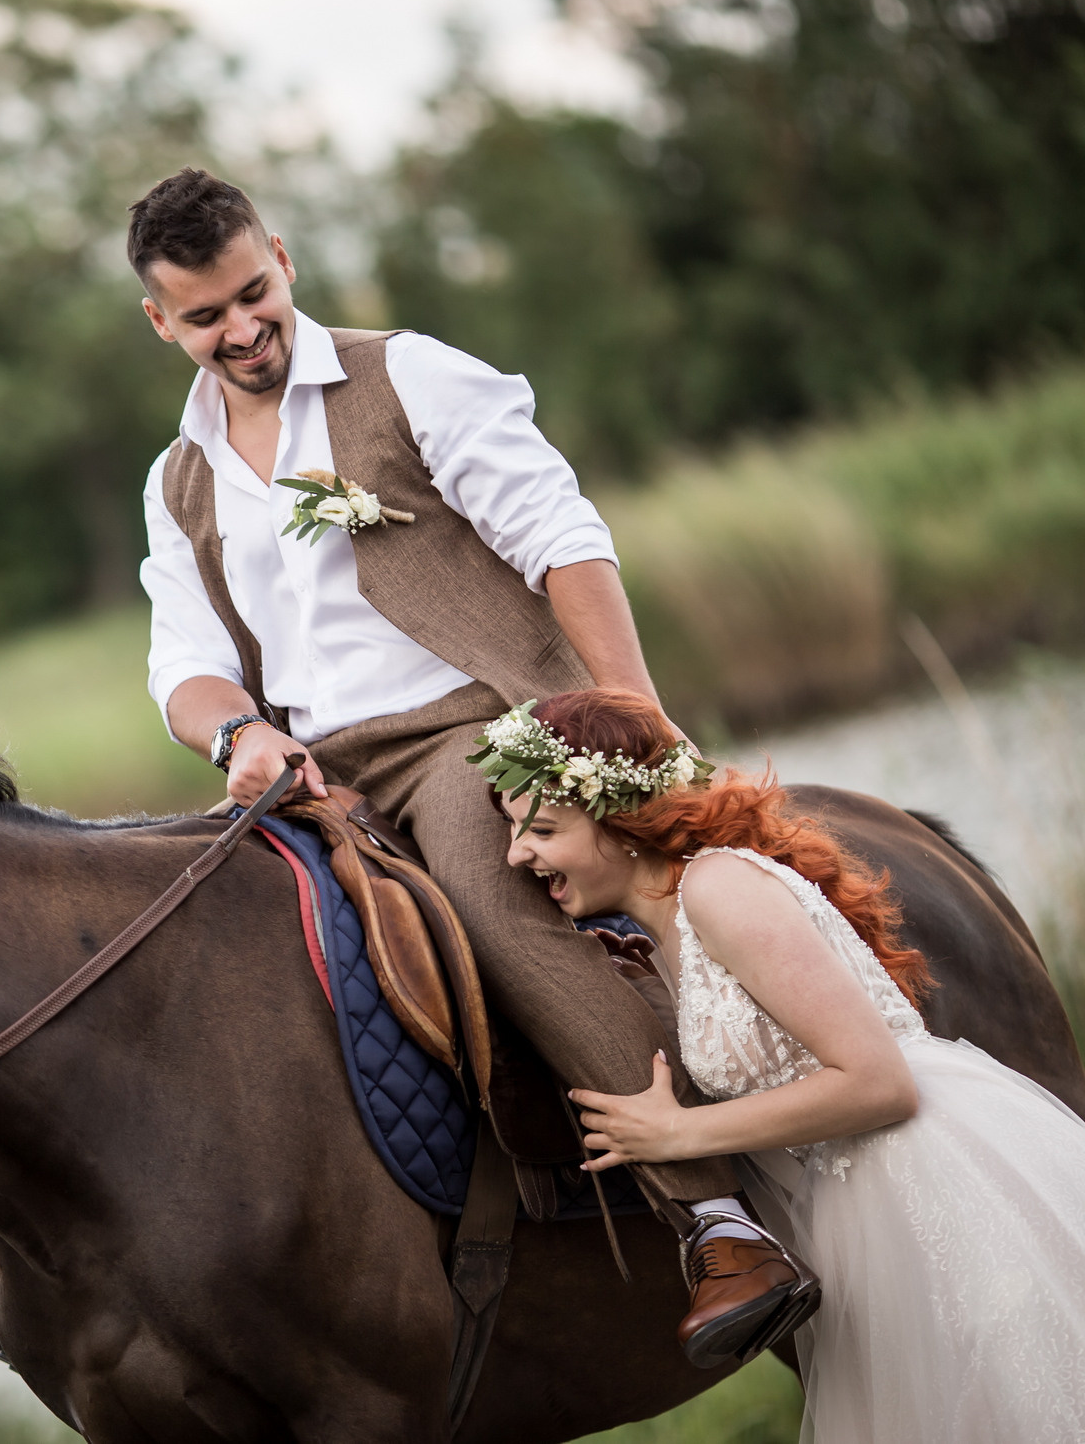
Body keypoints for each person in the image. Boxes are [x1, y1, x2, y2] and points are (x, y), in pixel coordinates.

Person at [128, 165, 801, 1362]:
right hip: (310, 776)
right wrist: (238, 735)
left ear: (280, 256)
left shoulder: (407, 374)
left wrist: (630, 718)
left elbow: (559, 536)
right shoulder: (176, 481)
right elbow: (182, 664)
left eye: (253, 295)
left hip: (468, 729)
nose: (239, 331)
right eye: (205, 316)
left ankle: (717, 1214)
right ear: (159, 322)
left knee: (491, 905)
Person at [485, 687, 1085, 1443]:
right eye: (514, 831)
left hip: (922, 1188)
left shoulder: (718, 888)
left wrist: (678, 1134)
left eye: (541, 828)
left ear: (620, 822)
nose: (516, 855)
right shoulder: (666, 922)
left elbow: (880, 1084)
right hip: (858, 1204)